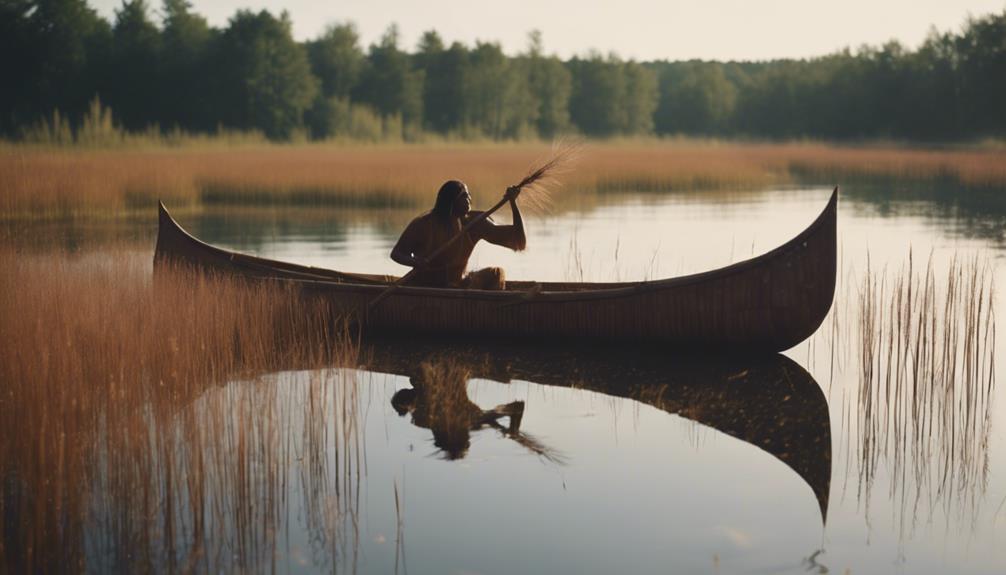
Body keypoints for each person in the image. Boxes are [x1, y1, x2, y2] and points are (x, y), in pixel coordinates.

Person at [390, 180, 525, 289]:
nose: (468, 200)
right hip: (425, 286)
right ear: (449, 203)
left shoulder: (474, 223)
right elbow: (397, 253)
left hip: (457, 286)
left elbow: (519, 242)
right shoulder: (423, 224)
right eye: (463, 196)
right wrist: (416, 262)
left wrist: (513, 202)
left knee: (495, 274)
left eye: (468, 195)